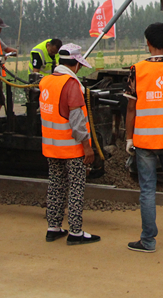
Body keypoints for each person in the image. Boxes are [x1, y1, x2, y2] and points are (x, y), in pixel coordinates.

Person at [125, 22, 163, 253]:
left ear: (148, 42)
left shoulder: (137, 70)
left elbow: (131, 108)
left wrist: (129, 139)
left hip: (145, 141)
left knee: (148, 190)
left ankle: (148, 241)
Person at [39, 43, 100, 246]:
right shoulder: (71, 84)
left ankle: (53, 227)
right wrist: (87, 147)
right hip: (72, 148)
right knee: (76, 187)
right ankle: (75, 232)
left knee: (55, 185)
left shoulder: (47, 81)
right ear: (75, 64)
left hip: (51, 146)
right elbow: (76, 120)